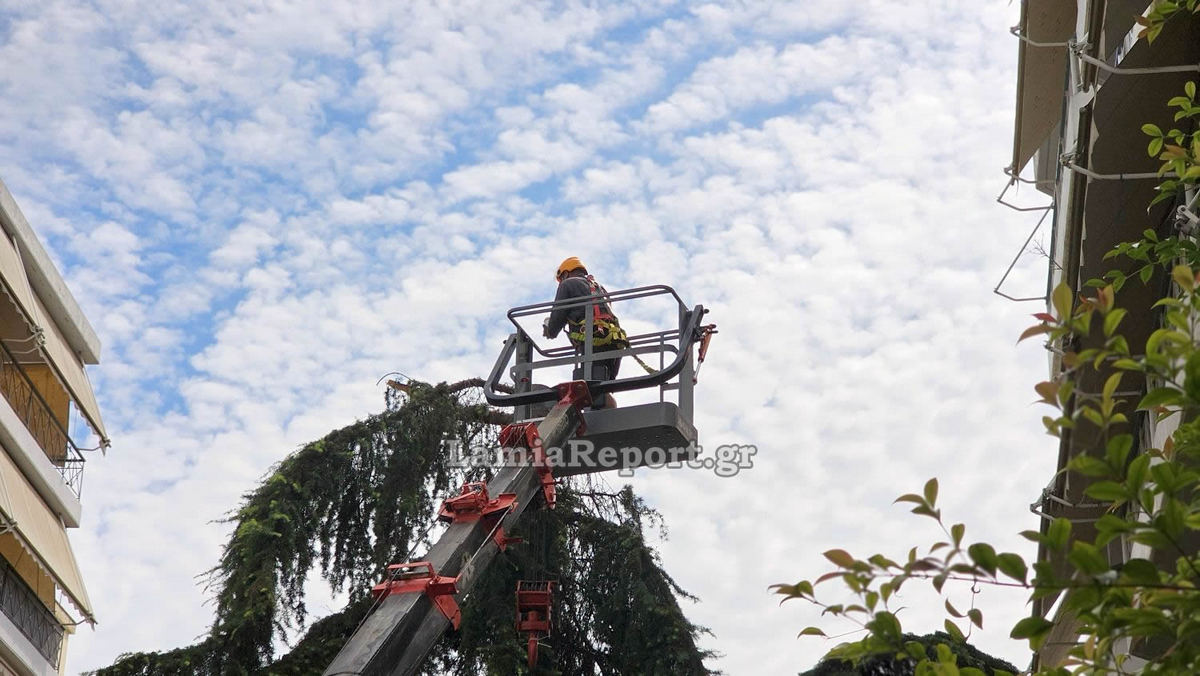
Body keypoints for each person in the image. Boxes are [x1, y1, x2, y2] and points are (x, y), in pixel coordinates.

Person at [543, 257, 624, 406]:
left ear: (566, 274)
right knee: (603, 389)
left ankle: (599, 417)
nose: (561, 283)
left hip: (593, 341)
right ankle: (610, 414)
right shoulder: (600, 288)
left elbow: (554, 327)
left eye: (561, 279)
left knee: (591, 388)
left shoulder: (568, 284)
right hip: (613, 341)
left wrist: (548, 327)